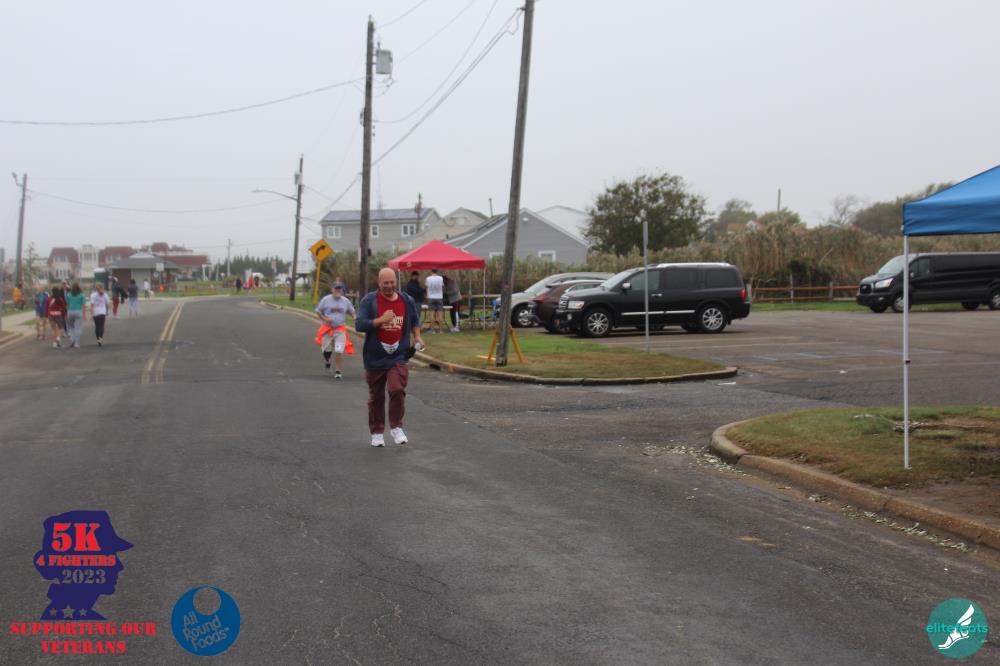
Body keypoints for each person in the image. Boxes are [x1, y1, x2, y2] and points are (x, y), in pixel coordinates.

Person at [356, 268, 425, 448]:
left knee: (397, 389)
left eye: (392, 282)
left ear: (396, 282)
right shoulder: (369, 301)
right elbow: (359, 324)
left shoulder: (406, 300)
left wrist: (417, 337)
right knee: (376, 397)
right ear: (379, 283)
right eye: (385, 283)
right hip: (374, 357)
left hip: (398, 355)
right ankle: (377, 432)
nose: (389, 286)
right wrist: (380, 320)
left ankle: (396, 427)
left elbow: (415, 320)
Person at [314, 282, 356, 379]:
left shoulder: (345, 301)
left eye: (339, 289)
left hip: (340, 329)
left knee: (339, 349)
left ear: (342, 290)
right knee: (327, 350)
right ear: (332, 289)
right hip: (327, 329)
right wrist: (324, 318)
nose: (338, 290)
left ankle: (338, 371)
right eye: (336, 288)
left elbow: (352, 311)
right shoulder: (326, 300)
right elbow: (318, 311)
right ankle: (327, 360)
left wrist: (354, 317)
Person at [65, 282, 86, 348]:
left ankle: (72, 340)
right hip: (78, 311)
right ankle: (77, 343)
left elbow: (67, 305)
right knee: (78, 327)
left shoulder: (68, 295)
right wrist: (84, 314)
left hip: (70, 311)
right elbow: (83, 305)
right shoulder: (82, 295)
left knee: (71, 327)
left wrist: (66, 313)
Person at [425, 267, 445, 334]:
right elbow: (442, 287)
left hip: (431, 297)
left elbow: (427, 288)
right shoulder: (441, 278)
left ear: (431, 271)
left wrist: (427, 296)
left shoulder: (428, 278)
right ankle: (440, 330)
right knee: (440, 314)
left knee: (431, 314)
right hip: (439, 297)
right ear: (437, 271)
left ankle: (432, 330)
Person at [90, 283, 111, 347]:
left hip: (95, 312)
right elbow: (107, 304)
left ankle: (97, 339)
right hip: (102, 312)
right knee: (101, 326)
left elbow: (92, 305)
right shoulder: (105, 295)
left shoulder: (93, 295)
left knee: (97, 326)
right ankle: (100, 339)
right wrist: (107, 311)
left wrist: (91, 313)